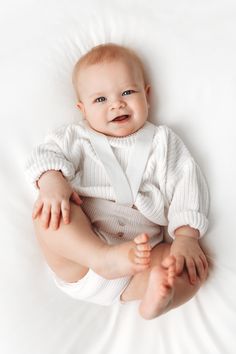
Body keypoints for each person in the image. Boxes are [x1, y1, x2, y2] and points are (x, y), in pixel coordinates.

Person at [26, 43, 209, 320]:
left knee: (191, 266)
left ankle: (159, 299)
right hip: (82, 257)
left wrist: (186, 236)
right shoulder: (74, 137)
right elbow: (43, 155)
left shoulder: (163, 142)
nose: (116, 104)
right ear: (82, 109)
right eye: (100, 100)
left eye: (127, 92)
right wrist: (52, 181)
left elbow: (186, 182)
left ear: (147, 96)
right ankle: (103, 257)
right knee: (48, 215)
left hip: (141, 258)